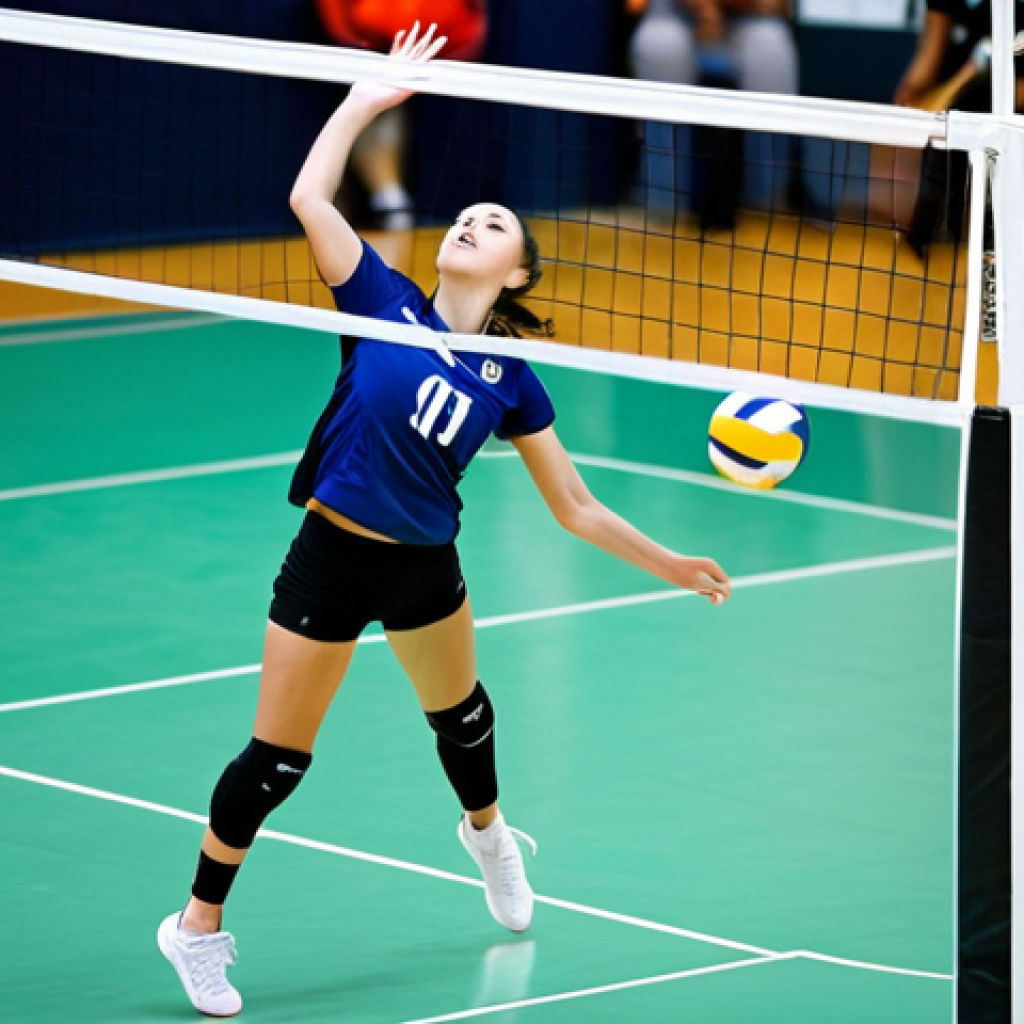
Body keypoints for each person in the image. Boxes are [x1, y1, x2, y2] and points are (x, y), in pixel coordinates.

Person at [157, 23, 731, 1018]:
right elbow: (306, 198)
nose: (470, 222)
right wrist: (363, 102)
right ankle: (195, 927)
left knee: (462, 721)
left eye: (494, 222)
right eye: (464, 214)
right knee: (276, 761)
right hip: (330, 560)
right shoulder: (378, 298)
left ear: (515, 273)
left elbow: (575, 505)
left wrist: (668, 561)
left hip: (427, 566)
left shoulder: (510, 376)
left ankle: (488, 835)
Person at [625, 0, 808, 231]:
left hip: (751, 18)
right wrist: (705, 9)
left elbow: (775, 4)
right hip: (672, 13)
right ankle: (664, 204)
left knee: (771, 47)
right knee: (661, 44)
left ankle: (766, 203)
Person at [316, 0, 488, 230]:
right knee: (368, 112)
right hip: (369, 40)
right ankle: (387, 201)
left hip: (441, 44)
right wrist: (346, 36)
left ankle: (392, 202)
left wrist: (466, 41)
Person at [892, 0, 1024, 255]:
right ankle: (931, 235)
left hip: (999, 113)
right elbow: (934, 37)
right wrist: (914, 94)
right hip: (959, 114)